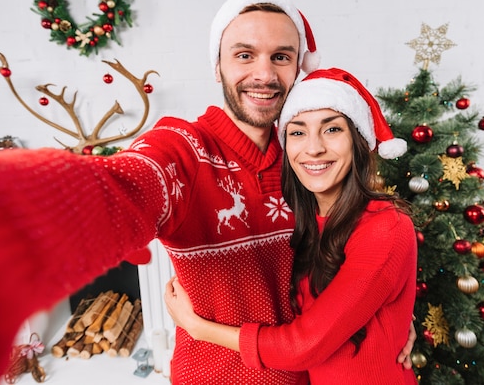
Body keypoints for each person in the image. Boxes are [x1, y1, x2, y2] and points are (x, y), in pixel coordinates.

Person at [0, 0, 413, 385]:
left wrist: (385, 325)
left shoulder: (305, 157)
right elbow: (117, 188)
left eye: (281, 57)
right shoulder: (181, 149)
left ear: (298, 69)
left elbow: (353, 259)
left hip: (311, 374)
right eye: (244, 55)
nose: (264, 74)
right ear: (217, 65)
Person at [165, 67, 418, 384]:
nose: (313, 148)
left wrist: (196, 327)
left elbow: (305, 345)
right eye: (298, 132)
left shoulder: (386, 227)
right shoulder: (297, 220)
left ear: (359, 141)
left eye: (332, 130)